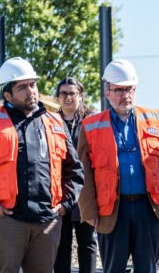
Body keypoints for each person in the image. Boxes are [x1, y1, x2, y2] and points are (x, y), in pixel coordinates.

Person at [0, 57, 84, 272]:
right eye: (22, 87)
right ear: (7, 94)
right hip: (7, 221)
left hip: (47, 221)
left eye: (33, 85)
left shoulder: (55, 122)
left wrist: (65, 204)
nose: (31, 91)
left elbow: (74, 169)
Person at [78, 59, 159, 273]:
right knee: (113, 268)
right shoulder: (91, 126)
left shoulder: (153, 119)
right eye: (119, 90)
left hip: (147, 208)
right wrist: (89, 210)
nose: (125, 95)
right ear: (107, 93)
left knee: (147, 268)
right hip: (111, 210)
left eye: (129, 89)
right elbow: (83, 173)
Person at [54, 77, 97, 273]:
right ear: (58, 97)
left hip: (86, 191)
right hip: (59, 192)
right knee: (60, 245)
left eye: (72, 93)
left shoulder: (92, 122)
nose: (68, 97)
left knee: (87, 242)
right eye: (63, 93)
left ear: (80, 96)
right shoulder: (50, 121)